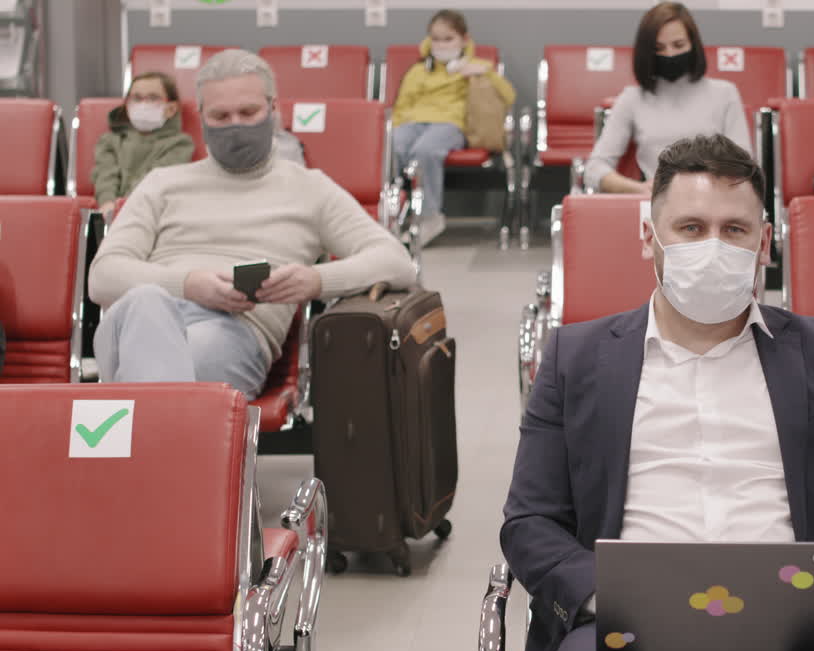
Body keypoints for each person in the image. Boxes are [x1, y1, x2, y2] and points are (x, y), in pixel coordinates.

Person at [502, 134, 814, 651]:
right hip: (620, 642)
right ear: (650, 237)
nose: (713, 247)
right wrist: (604, 597)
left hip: (793, 640)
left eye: (734, 230)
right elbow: (529, 522)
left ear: (764, 242)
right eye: (691, 228)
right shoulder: (576, 358)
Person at [88, 49, 416, 400]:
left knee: (163, 359)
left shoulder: (310, 189)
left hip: (231, 332)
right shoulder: (162, 183)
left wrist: (317, 281)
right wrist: (187, 285)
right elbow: (103, 276)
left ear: (274, 110)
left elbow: (396, 262)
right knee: (146, 305)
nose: (235, 125)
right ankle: (168, 438)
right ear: (201, 118)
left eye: (248, 112)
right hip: (145, 318)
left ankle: (142, 439)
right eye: (220, 115)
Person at [584, 2, 752, 194]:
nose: (670, 53)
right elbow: (595, 168)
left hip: (714, 202)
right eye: (659, 48)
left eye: (678, 45)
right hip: (658, 205)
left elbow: (744, 165)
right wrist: (639, 189)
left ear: (693, 44)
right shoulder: (632, 99)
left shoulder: (725, 93)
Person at [391, 9, 515, 243]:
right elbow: (402, 106)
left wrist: (484, 73)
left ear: (464, 39)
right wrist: (399, 128)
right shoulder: (418, 71)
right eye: (436, 39)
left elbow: (508, 97)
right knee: (394, 146)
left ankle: (430, 217)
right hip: (414, 122)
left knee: (425, 151)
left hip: (450, 124)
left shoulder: (476, 66)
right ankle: (393, 214)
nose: (441, 45)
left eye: (448, 39)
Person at [91, 71, 195, 223]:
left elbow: (154, 181)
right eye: (137, 98)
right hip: (109, 214)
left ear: (171, 108)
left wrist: (122, 208)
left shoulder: (180, 144)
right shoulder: (109, 140)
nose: (143, 104)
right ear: (127, 105)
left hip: (152, 217)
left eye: (153, 98)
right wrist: (108, 203)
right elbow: (104, 175)